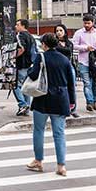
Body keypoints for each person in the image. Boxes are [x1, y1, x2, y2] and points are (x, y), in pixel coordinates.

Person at [26, 33, 75, 177]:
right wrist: (72, 102)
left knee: (39, 130)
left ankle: (38, 160)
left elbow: (34, 75)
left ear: (45, 45)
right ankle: (61, 165)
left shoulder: (41, 57)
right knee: (59, 133)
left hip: (43, 97)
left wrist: (30, 69)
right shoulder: (65, 59)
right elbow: (71, 82)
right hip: (61, 98)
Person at [72, 14, 96, 111]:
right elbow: (74, 45)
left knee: (95, 83)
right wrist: (85, 48)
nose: (87, 25)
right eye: (85, 23)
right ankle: (89, 102)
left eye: (89, 23)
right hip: (83, 61)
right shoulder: (79, 33)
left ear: (93, 23)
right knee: (87, 83)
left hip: (95, 62)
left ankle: (94, 101)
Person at [13, 19, 37, 116]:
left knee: (15, 86)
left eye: (17, 24)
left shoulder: (20, 35)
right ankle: (26, 107)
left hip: (21, 64)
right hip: (30, 65)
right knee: (26, 87)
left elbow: (21, 48)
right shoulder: (31, 37)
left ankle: (22, 104)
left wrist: (13, 56)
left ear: (23, 26)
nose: (15, 26)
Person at [55, 24, 79, 118]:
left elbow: (69, 51)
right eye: (57, 31)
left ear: (65, 31)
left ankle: (72, 108)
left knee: (72, 87)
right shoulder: (55, 43)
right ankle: (61, 108)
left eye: (61, 30)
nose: (59, 33)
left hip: (68, 67)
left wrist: (61, 49)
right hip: (58, 68)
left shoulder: (69, 43)